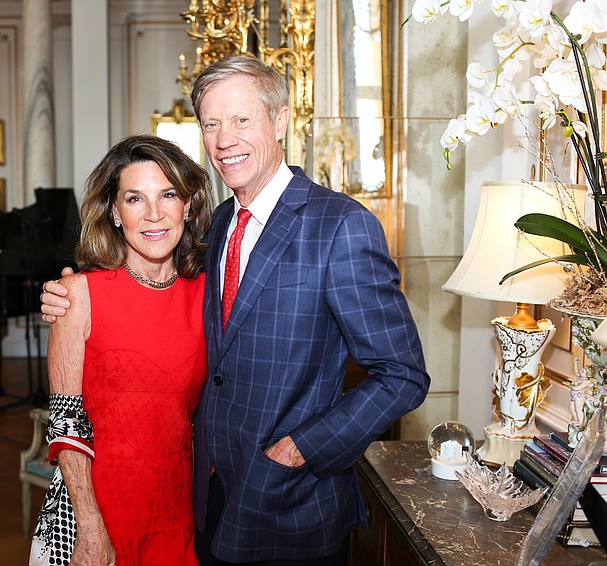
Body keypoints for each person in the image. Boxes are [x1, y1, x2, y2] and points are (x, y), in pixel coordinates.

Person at [41, 54, 430, 565]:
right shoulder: (218, 226)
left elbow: (401, 375)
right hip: (206, 504)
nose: (225, 139)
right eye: (212, 124)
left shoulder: (341, 226)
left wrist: (300, 448)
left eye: (242, 119)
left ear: (281, 119)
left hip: (291, 504)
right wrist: (72, 295)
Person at [29, 134, 213, 566]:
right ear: (114, 212)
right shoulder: (77, 296)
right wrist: (90, 524)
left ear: (187, 205)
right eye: (134, 198)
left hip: (181, 512)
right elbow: (64, 421)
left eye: (168, 194)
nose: (154, 214)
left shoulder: (209, 295)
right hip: (94, 512)